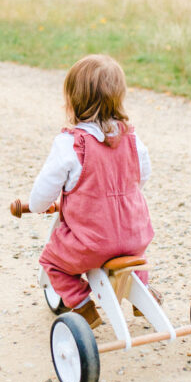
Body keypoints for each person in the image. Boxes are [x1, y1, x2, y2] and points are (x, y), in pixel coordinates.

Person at [29, 54, 154, 328]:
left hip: (93, 242)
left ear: (74, 101)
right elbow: (142, 177)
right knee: (134, 256)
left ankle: (83, 304)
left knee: (53, 262)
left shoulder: (69, 145)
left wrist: (36, 206)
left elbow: (43, 193)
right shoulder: (133, 139)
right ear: (119, 98)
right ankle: (142, 293)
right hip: (136, 233)